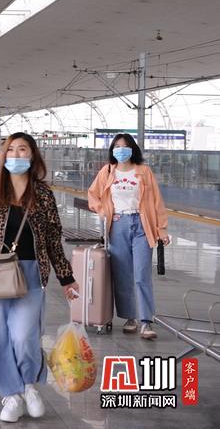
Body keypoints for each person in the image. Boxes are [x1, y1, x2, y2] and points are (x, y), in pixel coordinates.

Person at [0, 132, 79, 423]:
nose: (16, 155)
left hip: (31, 272)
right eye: (11, 150)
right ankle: (11, 394)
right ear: (3, 155)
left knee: (24, 336)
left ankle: (28, 383)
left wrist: (66, 277)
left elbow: (53, 239)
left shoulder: (42, 194)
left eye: (23, 149)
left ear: (32, 155)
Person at [87, 133, 170, 340]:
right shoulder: (107, 171)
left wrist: (162, 229)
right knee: (122, 275)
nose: (121, 150)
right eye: (117, 146)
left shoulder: (144, 172)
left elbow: (157, 201)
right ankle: (129, 317)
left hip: (142, 225)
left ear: (132, 149)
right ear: (112, 150)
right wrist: (104, 211)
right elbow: (93, 195)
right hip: (118, 225)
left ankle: (146, 321)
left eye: (124, 146)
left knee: (141, 274)